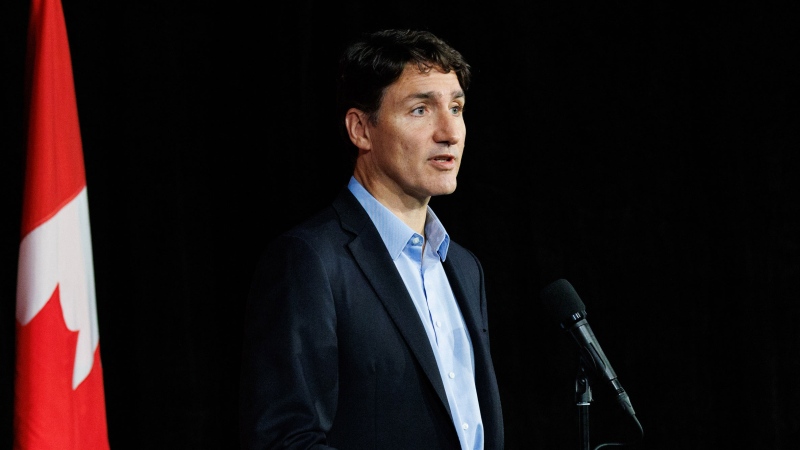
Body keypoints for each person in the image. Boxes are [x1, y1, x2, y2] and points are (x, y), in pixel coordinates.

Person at [239, 29, 504, 450]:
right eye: (420, 109)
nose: (449, 132)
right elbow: (285, 438)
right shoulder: (310, 261)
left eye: (456, 108)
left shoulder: (464, 267)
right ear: (361, 129)